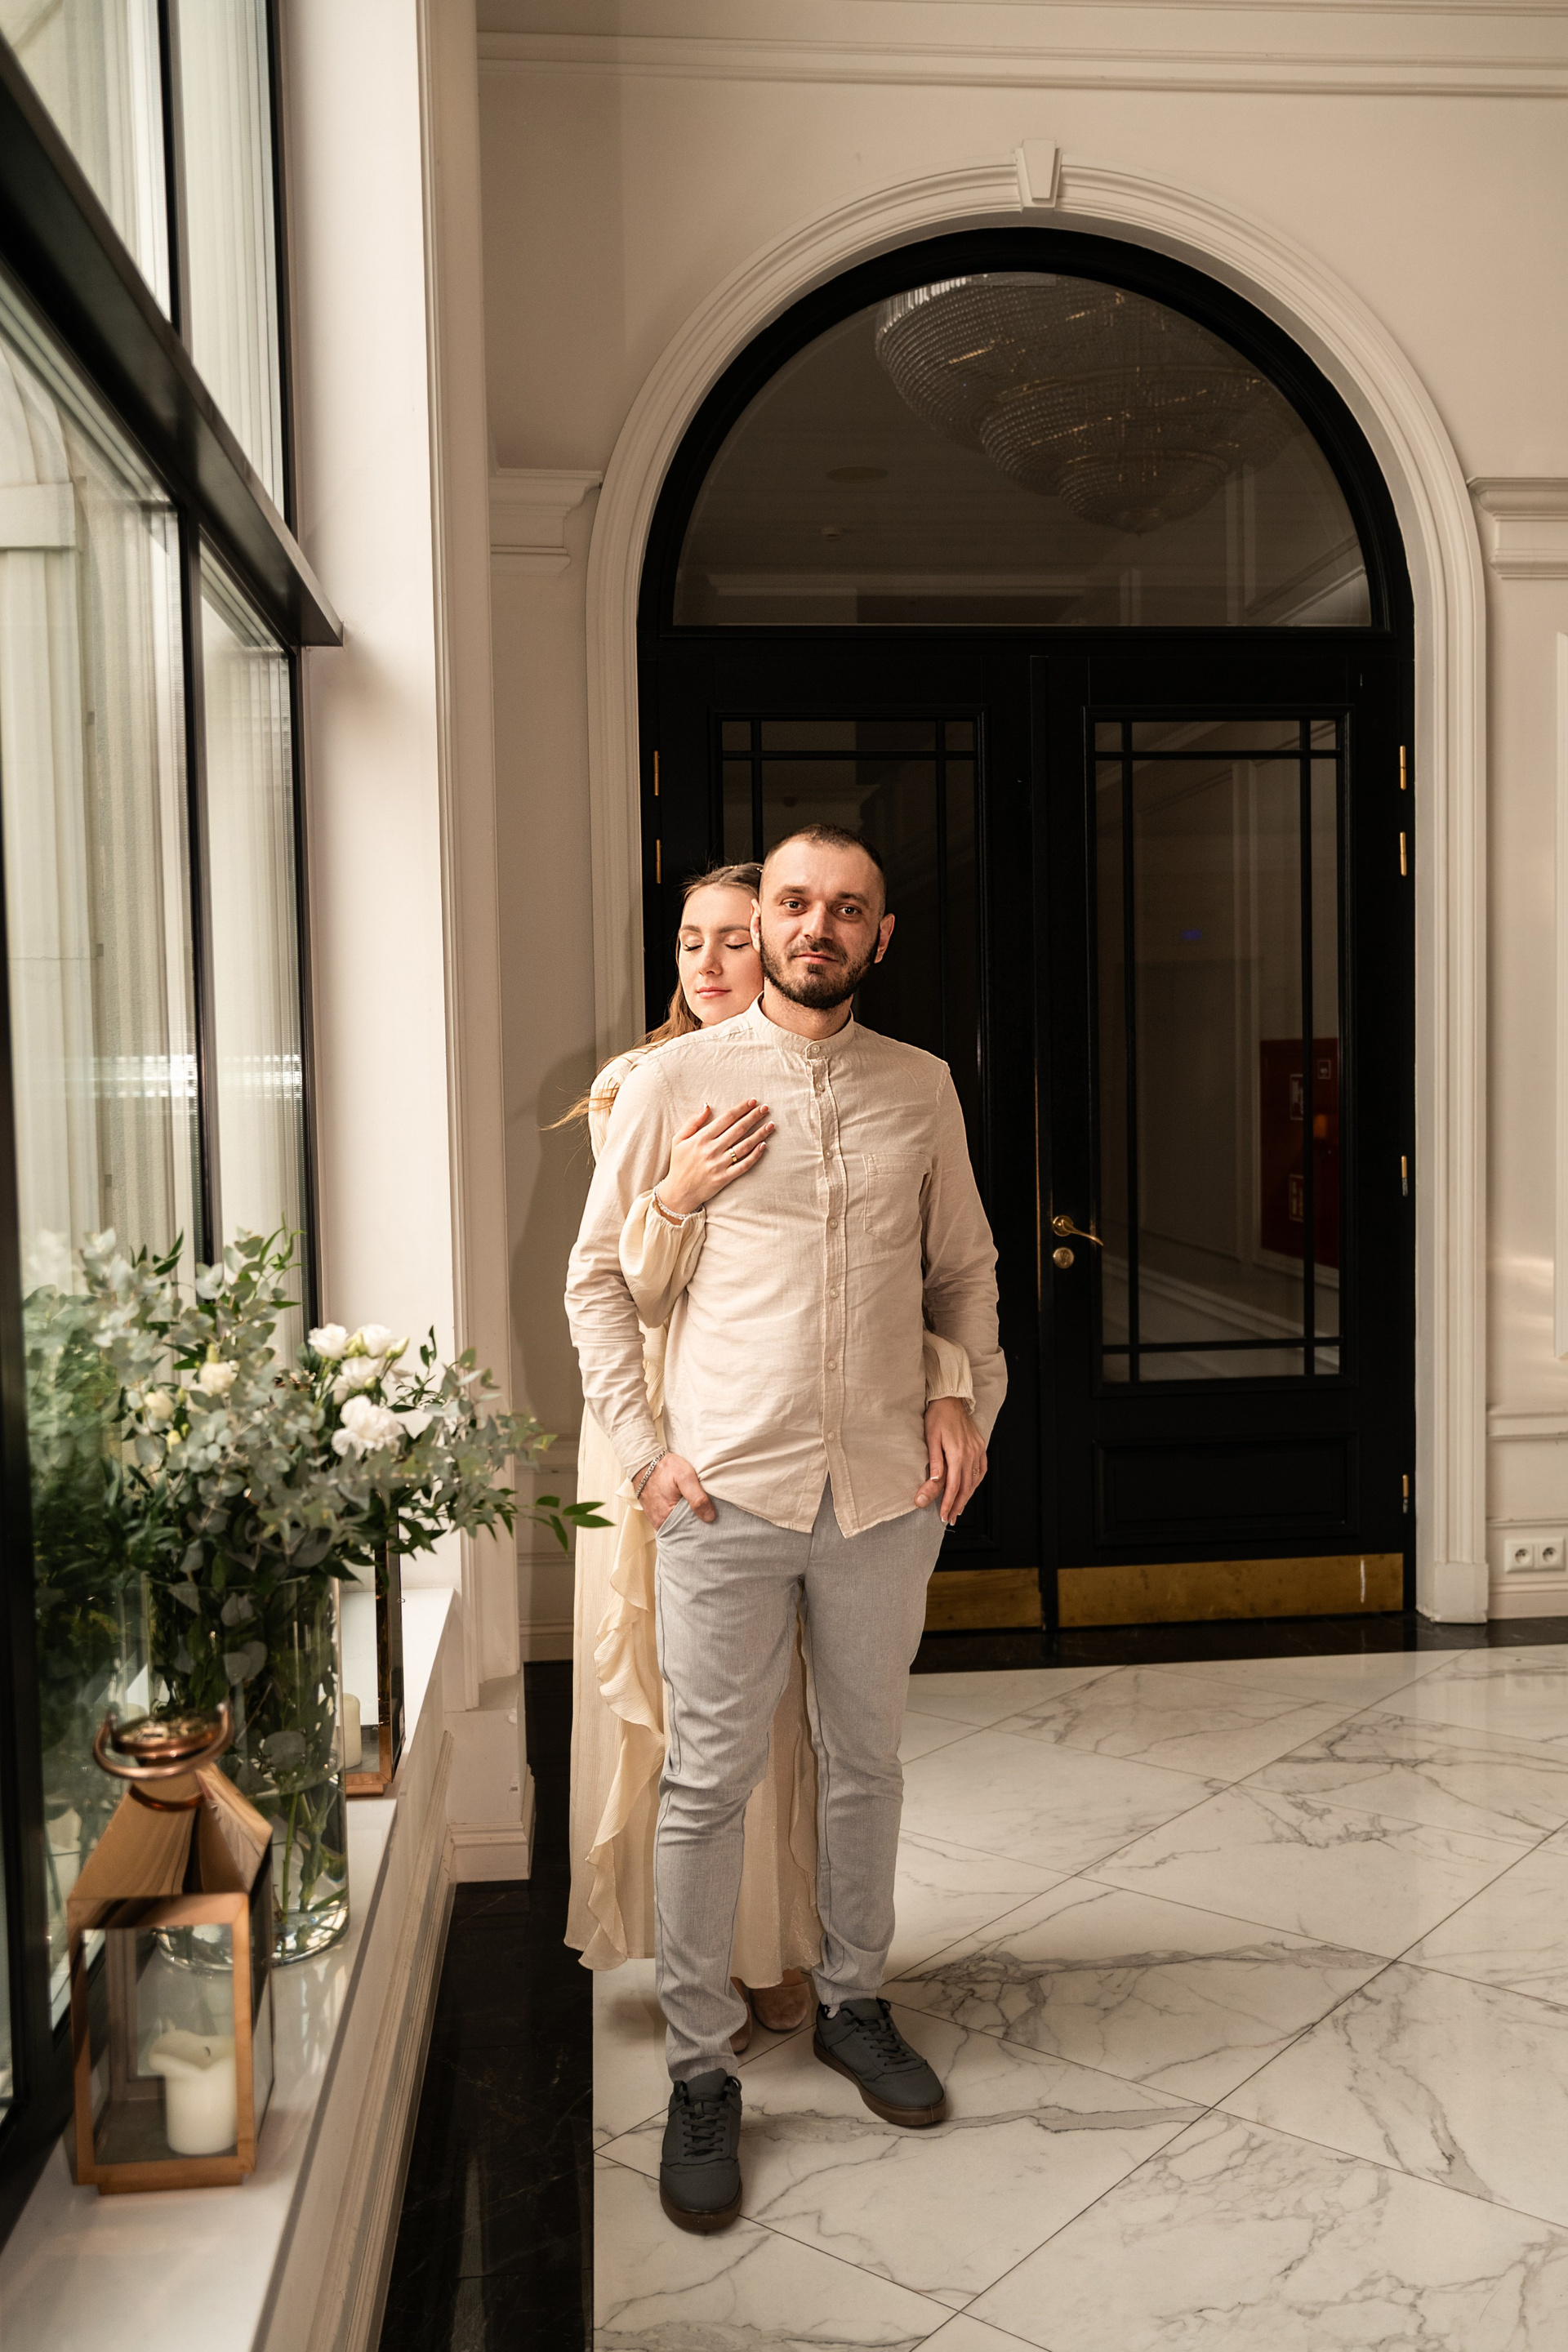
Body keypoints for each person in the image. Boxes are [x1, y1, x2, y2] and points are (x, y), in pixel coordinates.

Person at [566, 824, 1004, 2233]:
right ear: (769, 923)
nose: (819, 927)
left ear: (882, 935)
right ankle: (701, 2072)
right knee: (708, 1782)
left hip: (883, 1495)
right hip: (726, 1494)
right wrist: (646, 1458)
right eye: (798, 903)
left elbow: (964, 1273)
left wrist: (966, 1400)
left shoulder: (920, 1085)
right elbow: (597, 1279)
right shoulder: (672, 1082)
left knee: (867, 1763)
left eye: (849, 909)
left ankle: (856, 2003)